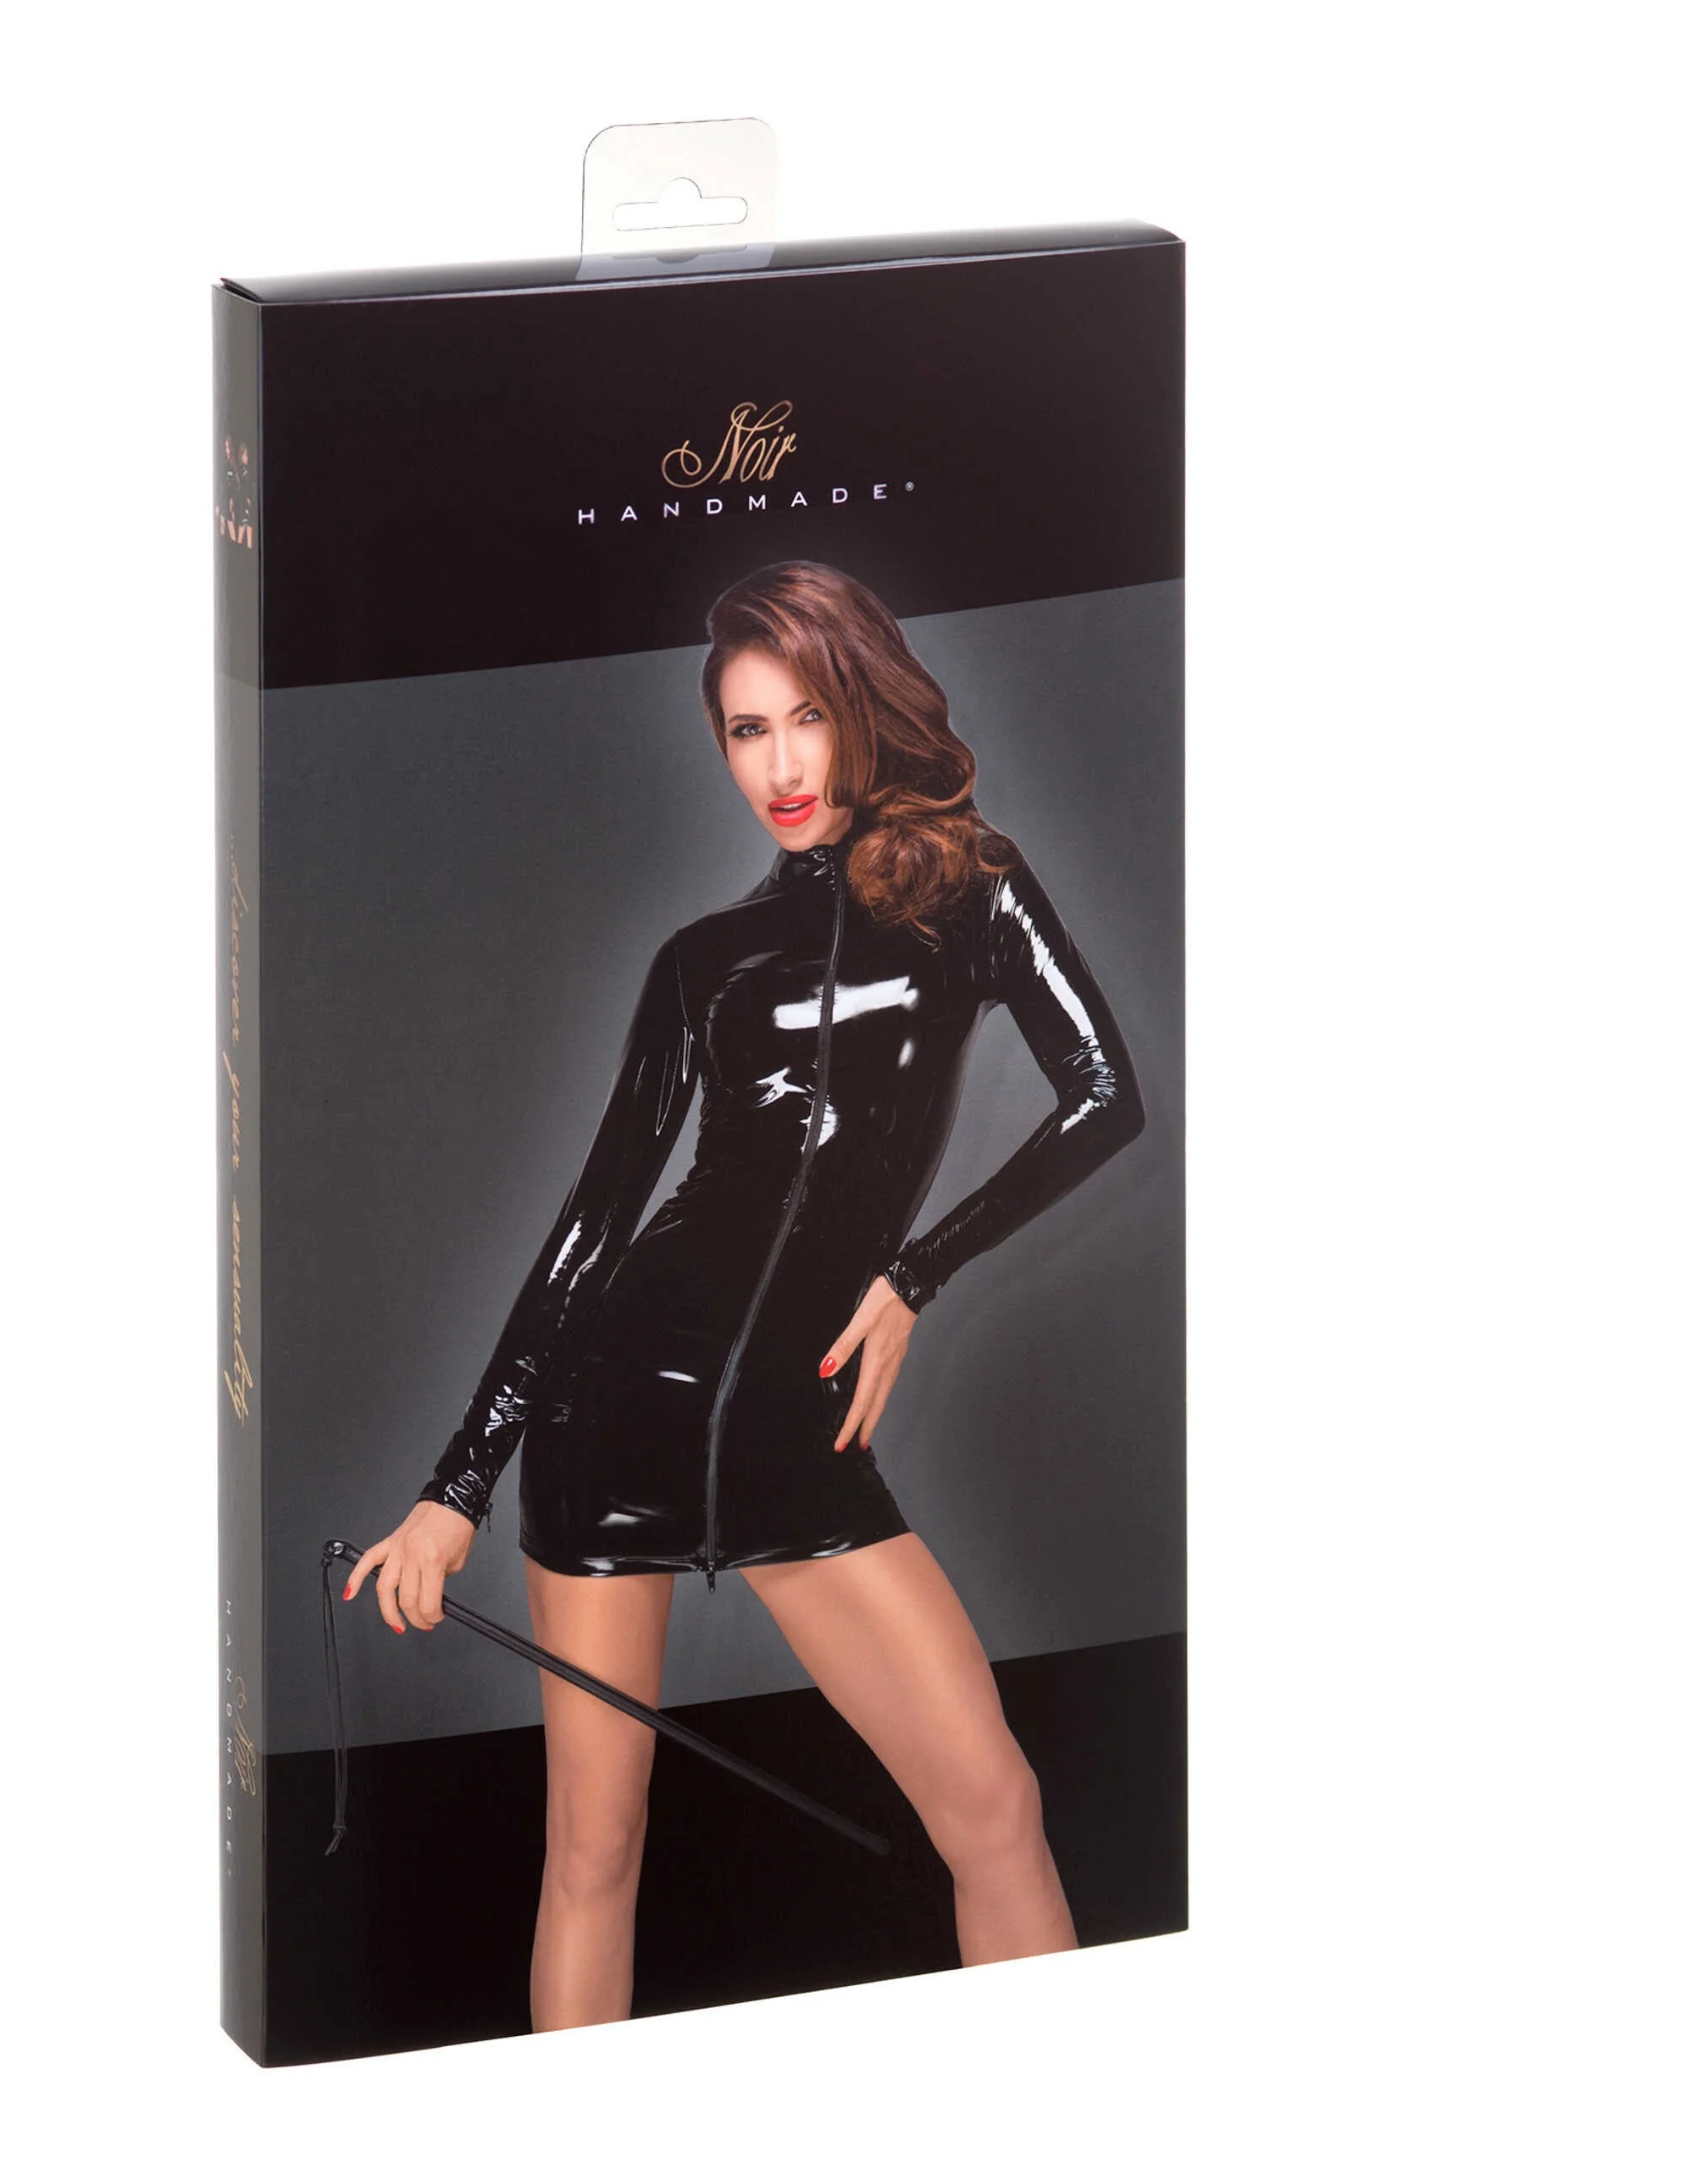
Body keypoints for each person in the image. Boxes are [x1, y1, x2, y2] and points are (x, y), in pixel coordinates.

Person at [345, 558, 1145, 2029]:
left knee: (994, 1809)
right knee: (594, 1850)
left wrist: (914, 1273)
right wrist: (456, 1487)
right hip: (613, 1415)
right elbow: (594, 1223)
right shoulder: (701, 962)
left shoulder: (973, 889)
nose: (781, 766)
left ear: (862, 705)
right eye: (745, 730)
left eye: (806, 718)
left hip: (797, 1427)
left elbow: (1104, 1094)